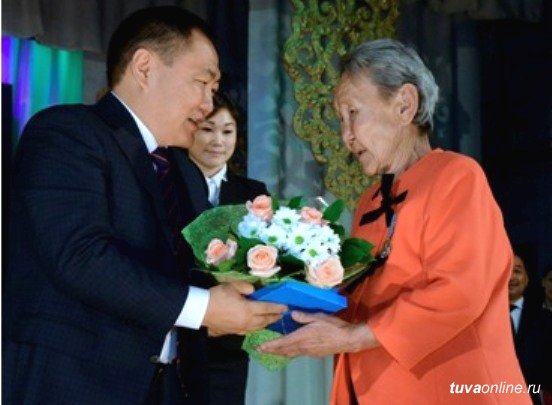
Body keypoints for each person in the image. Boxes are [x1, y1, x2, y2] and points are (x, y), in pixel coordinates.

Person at [3, 6, 286, 405]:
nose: (208, 103)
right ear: (144, 67)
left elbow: (178, 279)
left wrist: (248, 300)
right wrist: (205, 308)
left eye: (214, 87)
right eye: (202, 82)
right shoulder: (67, 133)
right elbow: (80, 256)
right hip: (74, 385)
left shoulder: (182, 171)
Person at [259, 38, 530, 404]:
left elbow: (460, 290)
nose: (346, 136)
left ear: (405, 104)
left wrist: (352, 337)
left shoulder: (456, 176)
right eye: (341, 120)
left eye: (353, 113)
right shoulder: (370, 201)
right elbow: (361, 304)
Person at [187, 92, 269, 404]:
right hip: (178, 330)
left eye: (227, 131)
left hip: (228, 344)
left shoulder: (253, 193)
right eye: (208, 129)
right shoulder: (167, 184)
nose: (217, 141)